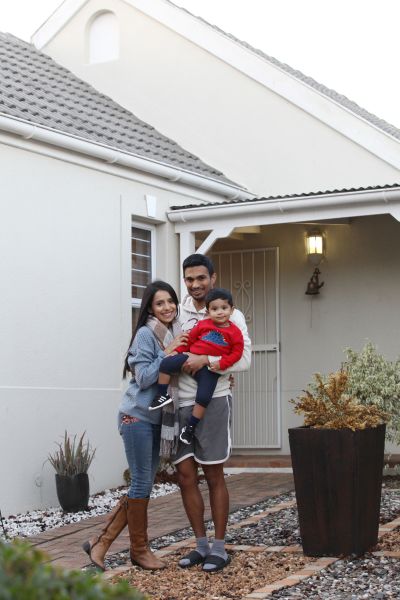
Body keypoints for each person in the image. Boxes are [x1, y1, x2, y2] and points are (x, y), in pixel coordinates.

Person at [83, 280, 187, 571]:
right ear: (150, 308)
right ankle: (138, 550)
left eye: (170, 301)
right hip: (137, 416)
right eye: (159, 303)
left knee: (144, 483)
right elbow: (143, 378)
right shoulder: (146, 334)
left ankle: (100, 543)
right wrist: (169, 352)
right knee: (142, 482)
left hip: (157, 418)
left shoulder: (176, 332)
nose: (167, 307)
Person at [173, 254, 251, 573]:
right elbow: (167, 353)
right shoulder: (176, 314)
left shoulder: (231, 314)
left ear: (212, 278)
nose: (195, 285)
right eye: (189, 279)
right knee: (186, 476)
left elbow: (244, 360)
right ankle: (200, 545)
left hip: (215, 400)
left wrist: (208, 361)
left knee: (214, 474)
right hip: (179, 403)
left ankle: (219, 548)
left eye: (201, 278)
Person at [149, 288, 244, 447]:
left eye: (224, 308)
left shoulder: (235, 333)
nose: (219, 312)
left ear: (232, 310)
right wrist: (177, 352)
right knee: (165, 363)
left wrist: (220, 363)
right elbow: (189, 340)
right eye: (214, 309)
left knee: (204, 396)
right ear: (208, 311)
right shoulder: (202, 325)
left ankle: (191, 426)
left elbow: (237, 353)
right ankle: (161, 395)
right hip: (189, 356)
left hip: (210, 369)